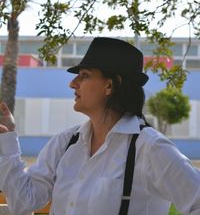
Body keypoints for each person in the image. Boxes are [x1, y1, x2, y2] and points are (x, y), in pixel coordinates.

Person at [0, 37, 200, 215]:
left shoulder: (151, 148)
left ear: (110, 85)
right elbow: (25, 202)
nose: (72, 83)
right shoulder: (66, 142)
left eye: (84, 75)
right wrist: (8, 138)